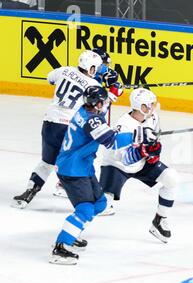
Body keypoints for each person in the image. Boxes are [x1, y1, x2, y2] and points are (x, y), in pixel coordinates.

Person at [49, 85, 134, 265]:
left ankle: (73, 231)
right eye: (103, 103)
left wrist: (112, 94)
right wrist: (137, 135)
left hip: (81, 166)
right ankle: (61, 247)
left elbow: (102, 117)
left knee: (100, 203)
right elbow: (111, 141)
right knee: (86, 208)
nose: (105, 105)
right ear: (97, 104)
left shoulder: (86, 111)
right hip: (72, 169)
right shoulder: (91, 120)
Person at [12, 50, 103, 209]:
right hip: (71, 128)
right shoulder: (93, 85)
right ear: (91, 69)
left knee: (47, 162)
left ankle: (28, 194)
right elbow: (100, 107)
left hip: (50, 122)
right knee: (78, 162)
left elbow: (50, 78)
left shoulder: (64, 70)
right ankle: (87, 199)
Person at [98, 88, 179, 244]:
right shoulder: (124, 126)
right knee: (101, 206)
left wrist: (152, 152)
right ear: (141, 106)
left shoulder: (153, 117)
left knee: (172, 179)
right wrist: (143, 150)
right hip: (116, 166)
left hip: (141, 164)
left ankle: (160, 219)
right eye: (150, 104)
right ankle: (75, 231)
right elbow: (125, 159)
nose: (153, 107)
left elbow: (154, 146)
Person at [52, 47, 123, 198]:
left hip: (77, 122)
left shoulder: (92, 76)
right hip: (83, 125)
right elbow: (97, 109)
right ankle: (69, 185)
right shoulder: (91, 83)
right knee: (82, 154)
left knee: (81, 154)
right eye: (103, 64)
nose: (106, 68)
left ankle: (67, 183)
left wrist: (109, 86)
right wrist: (113, 94)